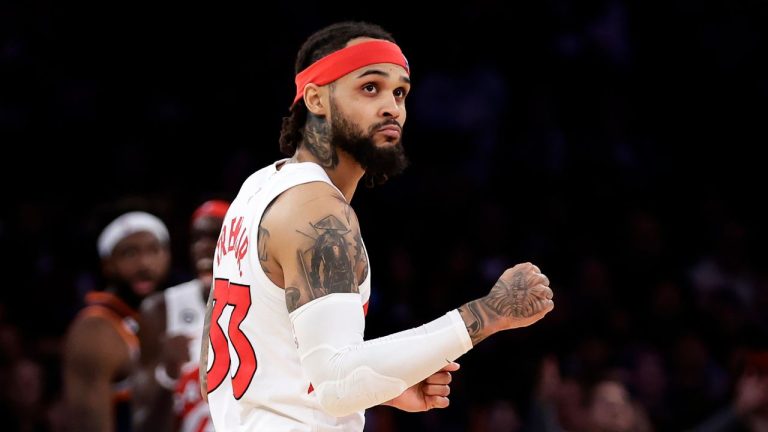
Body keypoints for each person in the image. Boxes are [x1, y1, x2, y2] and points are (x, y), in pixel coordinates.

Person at [200, 21, 555, 431]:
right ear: (316, 98)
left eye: (400, 92)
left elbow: (212, 366)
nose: (393, 107)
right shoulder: (319, 212)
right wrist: (488, 313)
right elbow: (337, 384)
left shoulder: (259, 187)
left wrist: (383, 384)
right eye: (370, 87)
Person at [63, 211, 171, 432]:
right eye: (130, 253)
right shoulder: (95, 330)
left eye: (153, 250)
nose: (144, 264)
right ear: (108, 264)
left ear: (167, 255)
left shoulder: (173, 314)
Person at [133, 200, 229, 432]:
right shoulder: (160, 310)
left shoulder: (266, 302)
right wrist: (168, 374)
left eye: (215, 236)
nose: (203, 247)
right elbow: (144, 425)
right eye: (197, 238)